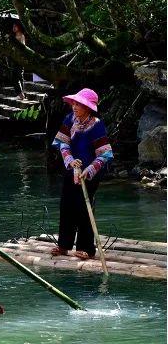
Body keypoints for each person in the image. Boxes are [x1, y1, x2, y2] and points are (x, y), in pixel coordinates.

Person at [51, 88, 113, 259]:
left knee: (84, 207)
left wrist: (89, 169)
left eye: (79, 104)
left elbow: (105, 154)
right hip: (72, 168)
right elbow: (62, 143)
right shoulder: (69, 119)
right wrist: (70, 160)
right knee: (66, 205)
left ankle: (87, 248)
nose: (75, 107)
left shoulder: (96, 125)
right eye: (75, 104)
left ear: (88, 108)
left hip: (90, 172)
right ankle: (64, 245)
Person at [12, 23, 27, 99]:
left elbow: (22, 47)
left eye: (15, 26)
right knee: (15, 76)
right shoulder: (14, 36)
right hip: (15, 58)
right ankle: (20, 93)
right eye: (13, 26)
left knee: (18, 75)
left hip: (20, 59)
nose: (13, 27)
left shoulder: (21, 36)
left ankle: (21, 94)